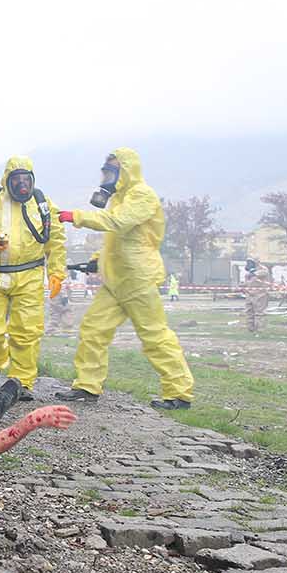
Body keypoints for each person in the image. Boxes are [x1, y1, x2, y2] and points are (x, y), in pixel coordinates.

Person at [55, 148, 196, 410]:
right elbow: (117, 238)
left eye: (112, 171)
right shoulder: (119, 198)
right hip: (116, 280)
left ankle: (179, 393)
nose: (106, 176)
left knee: (154, 335)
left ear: (126, 170)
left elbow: (118, 223)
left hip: (138, 278)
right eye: (105, 171)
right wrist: (98, 259)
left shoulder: (142, 195)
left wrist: (76, 217)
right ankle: (87, 386)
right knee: (93, 330)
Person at [0, 156, 66, 400]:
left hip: (30, 276)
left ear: (32, 179)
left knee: (27, 332)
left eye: (26, 179)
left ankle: (22, 382)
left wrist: (57, 272)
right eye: (16, 180)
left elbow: (56, 238)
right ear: (8, 180)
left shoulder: (42, 204)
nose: (22, 185)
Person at [243, 258, 272, 333]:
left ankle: (260, 329)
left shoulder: (263, 269)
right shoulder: (249, 272)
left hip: (260, 294)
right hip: (250, 294)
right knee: (249, 312)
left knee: (259, 313)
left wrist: (253, 272)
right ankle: (250, 329)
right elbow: (247, 283)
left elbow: (259, 274)